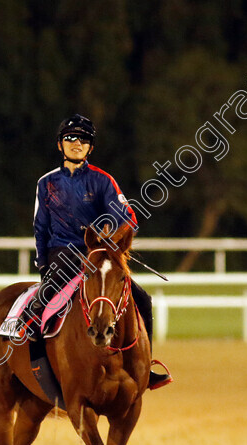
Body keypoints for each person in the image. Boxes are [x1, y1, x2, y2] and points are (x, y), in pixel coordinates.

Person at [17, 114, 172, 390]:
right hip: (62, 255)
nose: (77, 143)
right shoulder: (46, 183)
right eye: (71, 138)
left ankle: (145, 366)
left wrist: (109, 233)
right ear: (59, 145)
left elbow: (130, 219)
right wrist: (43, 264)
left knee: (143, 300)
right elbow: (40, 228)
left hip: (98, 255)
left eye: (84, 139)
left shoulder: (103, 181)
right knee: (39, 305)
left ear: (91, 147)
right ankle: (39, 370)